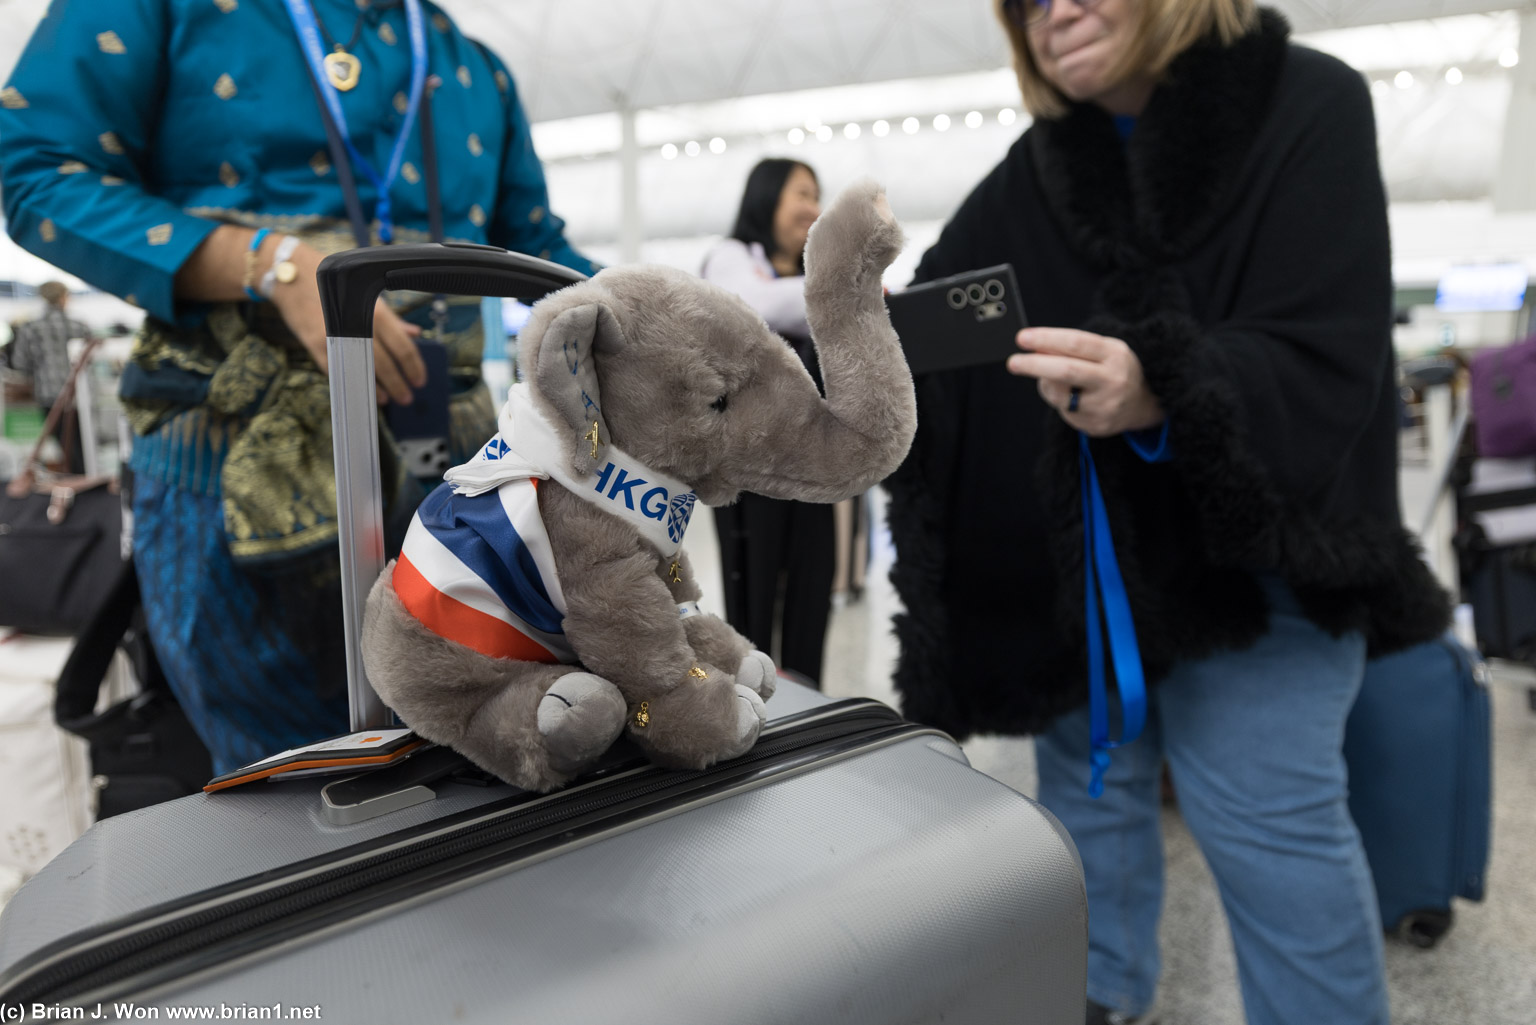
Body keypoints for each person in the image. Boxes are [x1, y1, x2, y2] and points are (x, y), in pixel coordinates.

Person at [883, 2, 1449, 1023]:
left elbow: (1331, 336)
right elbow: (926, 333)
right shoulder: (1041, 164)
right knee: (1085, 809)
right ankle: (1099, 997)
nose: (1054, 11)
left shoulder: (1310, 103)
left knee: (1273, 831)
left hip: (1263, 575)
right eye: (1026, 2)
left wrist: (1169, 383)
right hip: (1086, 590)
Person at [0, 0, 595, 774]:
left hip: (457, 465)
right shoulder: (159, 11)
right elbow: (37, 166)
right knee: (291, 778)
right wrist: (267, 262)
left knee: (490, 735)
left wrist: (658, 324)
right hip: (232, 451)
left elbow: (537, 240)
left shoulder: (468, 62)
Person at [701, 158, 837, 683]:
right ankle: (750, 708)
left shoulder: (807, 277)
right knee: (751, 602)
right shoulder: (731, 257)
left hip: (815, 467)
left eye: (817, 194)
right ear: (766, 198)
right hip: (748, 473)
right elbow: (753, 305)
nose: (814, 208)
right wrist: (845, 293)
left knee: (811, 592)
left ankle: (810, 707)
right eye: (801, 193)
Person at [1, 281, 90, 473]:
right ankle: (86, 485)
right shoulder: (79, 326)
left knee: (63, 446)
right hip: (79, 397)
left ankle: (73, 484)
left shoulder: (30, 328)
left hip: (49, 395)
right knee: (84, 447)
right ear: (64, 297)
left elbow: (21, 364)